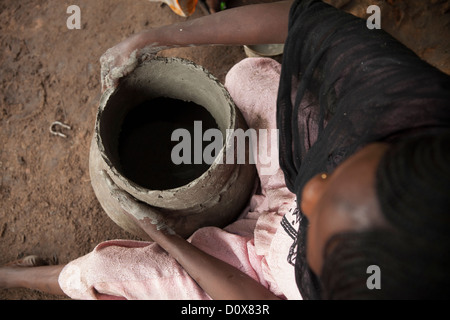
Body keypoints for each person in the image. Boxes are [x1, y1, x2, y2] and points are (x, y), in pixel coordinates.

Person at [1, 0, 450, 299]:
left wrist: (167, 239)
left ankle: (16, 277)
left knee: (103, 271)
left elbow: (249, 301)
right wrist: (153, 37)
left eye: (322, 222)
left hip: (259, 272)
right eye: (335, 177)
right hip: (282, 181)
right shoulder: (410, 104)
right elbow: (299, 19)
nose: (310, 194)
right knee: (249, 78)